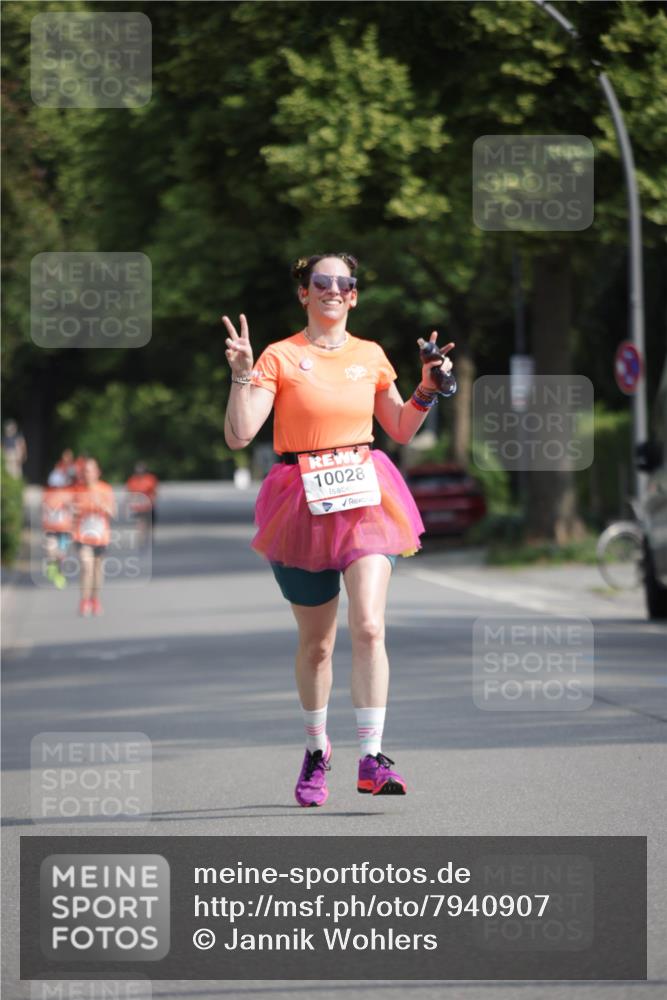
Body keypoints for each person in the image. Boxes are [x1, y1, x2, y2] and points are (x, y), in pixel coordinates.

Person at [222, 252, 455, 807]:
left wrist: (426, 387)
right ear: (304, 293)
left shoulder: (371, 355)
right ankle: (316, 747)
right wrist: (240, 372)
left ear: (353, 295)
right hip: (298, 498)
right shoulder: (280, 356)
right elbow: (239, 434)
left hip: (363, 492)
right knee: (319, 645)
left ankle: (372, 757)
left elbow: (398, 426)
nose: (331, 290)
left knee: (370, 626)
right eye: (319, 282)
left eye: (342, 283)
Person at [71, 457, 117, 617]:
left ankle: (95, 599)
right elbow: (69, 512)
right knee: (86, 566)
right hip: (81, 535)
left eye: (90, 470)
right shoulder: (76, 490)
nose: (87, 474)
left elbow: (113, 512)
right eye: (84, 471)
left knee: (97, 570)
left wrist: (101, 505)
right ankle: (84, 601)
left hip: (100, 536)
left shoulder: (105, 489)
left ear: (97, 472)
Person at [42, 467, 74, 589]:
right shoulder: (46, 495)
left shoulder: (68, 494)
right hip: (50, 529)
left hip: (64, 530)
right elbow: (44, 511)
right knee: (50, 551)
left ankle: (59, 574)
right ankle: (52, 566)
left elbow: (73, 510)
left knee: (61, 555)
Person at [125, 461, 159, 547]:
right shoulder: (132, 480)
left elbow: (154, 492)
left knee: (149, 523)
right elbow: (130, 494)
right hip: (138, 507)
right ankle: (141, 539)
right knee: (140, 523)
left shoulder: (150, 479)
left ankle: (148, 537)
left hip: (149, 505)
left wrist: (153, 501)